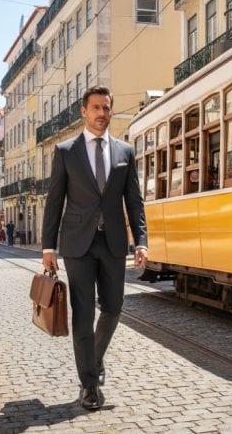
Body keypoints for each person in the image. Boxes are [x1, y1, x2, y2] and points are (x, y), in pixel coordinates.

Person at [42, 85, 147, 411]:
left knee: (114, 307)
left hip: (113, 241)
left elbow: (134, 200)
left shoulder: (124, 152)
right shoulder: (65, 151)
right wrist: (48, 247)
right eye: (96, 108)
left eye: (106, 108)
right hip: (78, 243)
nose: (102, 113)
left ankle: (95, 358)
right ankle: (89, 385)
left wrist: (141, 241)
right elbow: (54, 201)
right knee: (84, 314)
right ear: (84, 112)